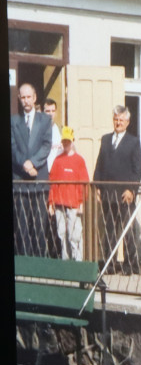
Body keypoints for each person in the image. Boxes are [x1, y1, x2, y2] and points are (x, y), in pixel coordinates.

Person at [93, 105, 141, 272]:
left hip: (125, 195)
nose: (118, 122)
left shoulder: (134, 142)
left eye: (121, 120)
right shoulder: (106, 139)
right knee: (110, 232)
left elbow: (138, 169)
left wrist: (131, 190)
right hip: (108, 194)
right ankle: (110, 265)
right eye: (116, 119)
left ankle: (130, 265)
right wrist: (98, 187)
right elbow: (99, 165)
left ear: (127, 122)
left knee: (128, 232)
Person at [12, 82, 53, 256]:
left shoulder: (45, 120)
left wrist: (34, 163)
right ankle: (24, 263)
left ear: (35, 98)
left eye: (29, 97)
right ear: (19, 99)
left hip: (39, 181)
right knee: (21, 226)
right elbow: (12, 147)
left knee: (38, 225)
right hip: (20, 181)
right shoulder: (14, 120)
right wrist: (25, 164)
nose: (26, 101)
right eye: (23, 97)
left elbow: (46, 145)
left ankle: (39, 263)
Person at [47, 126, 89, 261]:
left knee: (74, 235)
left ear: (73, 141)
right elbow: (53, 183)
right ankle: (66, 263)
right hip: (59, 204)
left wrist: (82, 202)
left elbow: (84, 183)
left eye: (68, 141)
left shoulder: (79, 160)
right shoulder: (58, 161)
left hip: (74, 204)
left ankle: (78, 263)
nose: (66, 144)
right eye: (64, 141)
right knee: (62, 234)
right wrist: (51, 202)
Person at [43, 98, 63, 172]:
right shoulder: (39, 131)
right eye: (48, 111)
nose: (51, 113)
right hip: (45, 171)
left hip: (58, 170)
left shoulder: (60, 129)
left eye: (53, 111)